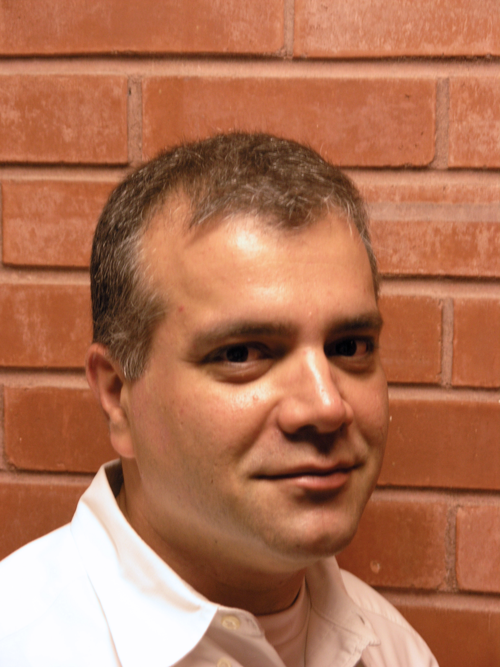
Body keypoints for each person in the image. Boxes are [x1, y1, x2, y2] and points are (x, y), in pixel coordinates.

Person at [0, 133, 439, 666]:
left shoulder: (396, 652)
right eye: (242, 354)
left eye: (350, 347)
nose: (326, 406)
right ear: (117, 395)